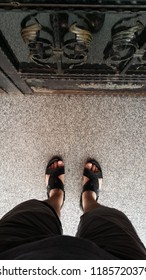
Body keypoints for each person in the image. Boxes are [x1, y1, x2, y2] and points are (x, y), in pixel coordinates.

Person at [0, 156, 145, 260]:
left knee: (33, 214)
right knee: (107, 219)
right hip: (120, 266)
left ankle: (56, 196)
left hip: (11, 255)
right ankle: (88, 199)